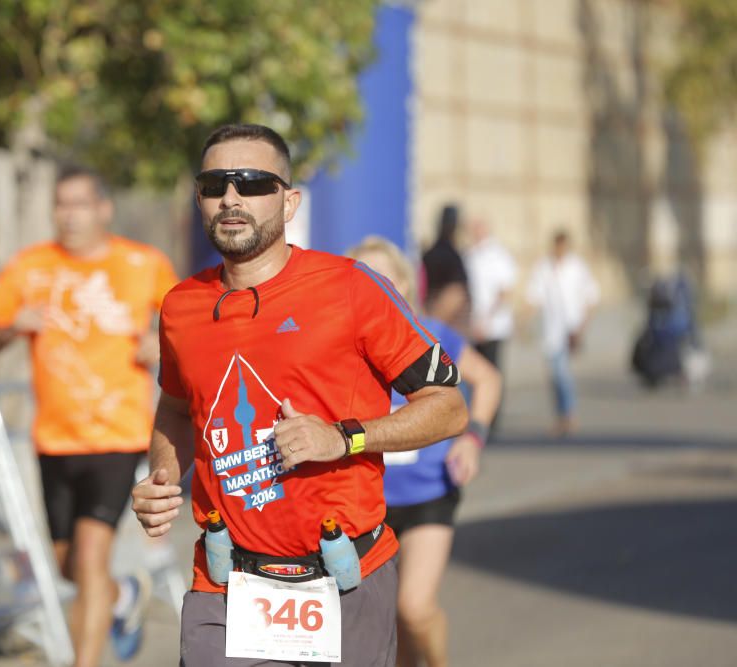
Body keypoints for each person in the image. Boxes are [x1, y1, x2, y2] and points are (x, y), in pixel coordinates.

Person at [131, 123, 468, 667]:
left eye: (253, 183)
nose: (231, 198)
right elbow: (175, 405)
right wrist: (163, 478)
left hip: (342, 576)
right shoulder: (181, 306)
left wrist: (343, 437)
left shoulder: (351, 288)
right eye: (215, 184)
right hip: (227, 581)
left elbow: (449, 406)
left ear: (289, 202)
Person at [0, 164, 177, 666]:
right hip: (53, 438)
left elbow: (189, 323)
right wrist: (8, 327)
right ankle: (124, 595)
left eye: (80, 204)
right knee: (69, 567)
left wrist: (162, 343)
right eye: (62, 205)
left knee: (88, 559)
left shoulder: (142, 262)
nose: (70, 215)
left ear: (103, 209)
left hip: (118, 434)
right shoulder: (30, 265)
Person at [347, 236, 501, 667]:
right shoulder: (340, 346)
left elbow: (487, 380)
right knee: (379, 624)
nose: (375, 285)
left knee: (413, 608)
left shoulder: (432, 334)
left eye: (383, 276)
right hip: (363, 502)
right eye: (363, 277)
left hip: (427, 493)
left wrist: (473, 439)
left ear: (403, 282)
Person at [526, 230, 600, 436]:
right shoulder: (544, 267)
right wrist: (524, 322)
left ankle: (569, 414)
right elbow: (535, 296)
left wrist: (583, 326)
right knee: (556, 374)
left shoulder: (577, 267)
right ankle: (562, 414)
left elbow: (591, 296)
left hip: (571, 328)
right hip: (552, 330)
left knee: (562, 372)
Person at [463, 217, 517, 428]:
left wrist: (486, 319)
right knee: (471, 373)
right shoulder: (469, 255)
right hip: (471, 325)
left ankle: (490, 418)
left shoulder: (498, 256)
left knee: (491, 372)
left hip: (493, 326)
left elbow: (504, 291)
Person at [422, 203, 469, 330]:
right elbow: (454, 293)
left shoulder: (429, 254)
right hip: (446, 330)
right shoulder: (451, 256)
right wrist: (435, 326)